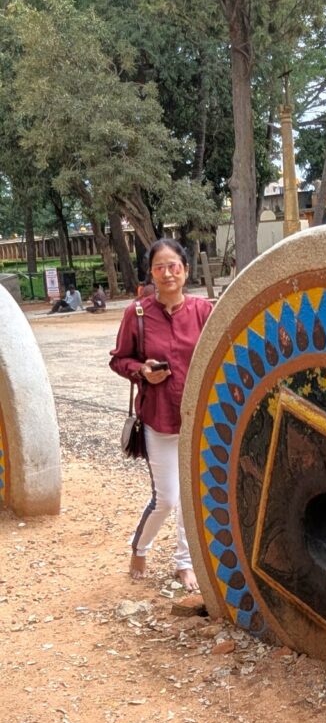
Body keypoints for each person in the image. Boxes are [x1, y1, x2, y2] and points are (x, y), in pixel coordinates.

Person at [109, 239, 213, 591]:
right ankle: (140, 547)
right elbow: (118, 359)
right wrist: (142, 370)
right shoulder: (136, 314)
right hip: (158, 418)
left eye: (174, 266)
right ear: (151, 273)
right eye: (159, 267)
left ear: (185, 270)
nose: (167, 273)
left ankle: (186, 563)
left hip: (198, 418)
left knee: (191, 496)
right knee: (167, 497)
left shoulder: (203, 311)